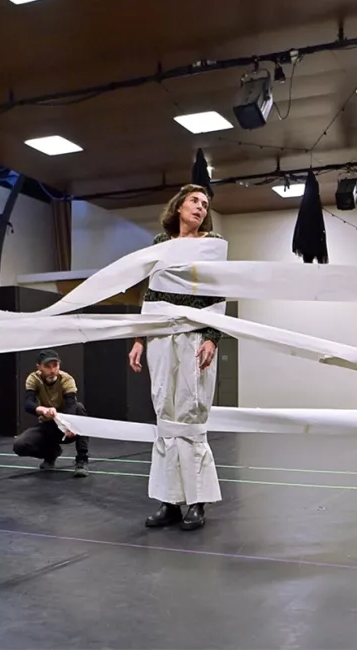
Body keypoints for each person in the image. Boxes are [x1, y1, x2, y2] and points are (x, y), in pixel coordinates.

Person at [128, 184, 224, 531]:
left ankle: (196, 502)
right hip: (159, 336)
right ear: (179, 206)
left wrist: (212, 337)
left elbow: (218, 291)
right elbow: (150, 292)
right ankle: (168, 500)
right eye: (195, 201)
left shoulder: (210, 245)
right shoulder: (160, 245)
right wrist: (139, 337)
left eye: (205, 204)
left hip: (194, 334)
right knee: (165, 414)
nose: (200, 207)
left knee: (191, 411)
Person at [13, 349, 89, 478]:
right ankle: (51, 454)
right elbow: (28, 403)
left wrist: (67, 425)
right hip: (49, 424)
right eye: (47, 367)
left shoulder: (66, 379)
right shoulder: (34, 378)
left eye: (55, 365)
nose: (52, 370)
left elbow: (71, 404)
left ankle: (82, 460)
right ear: (39, 367)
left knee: (79, 408)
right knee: (20, 445)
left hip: (68, 426)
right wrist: (43, 410)